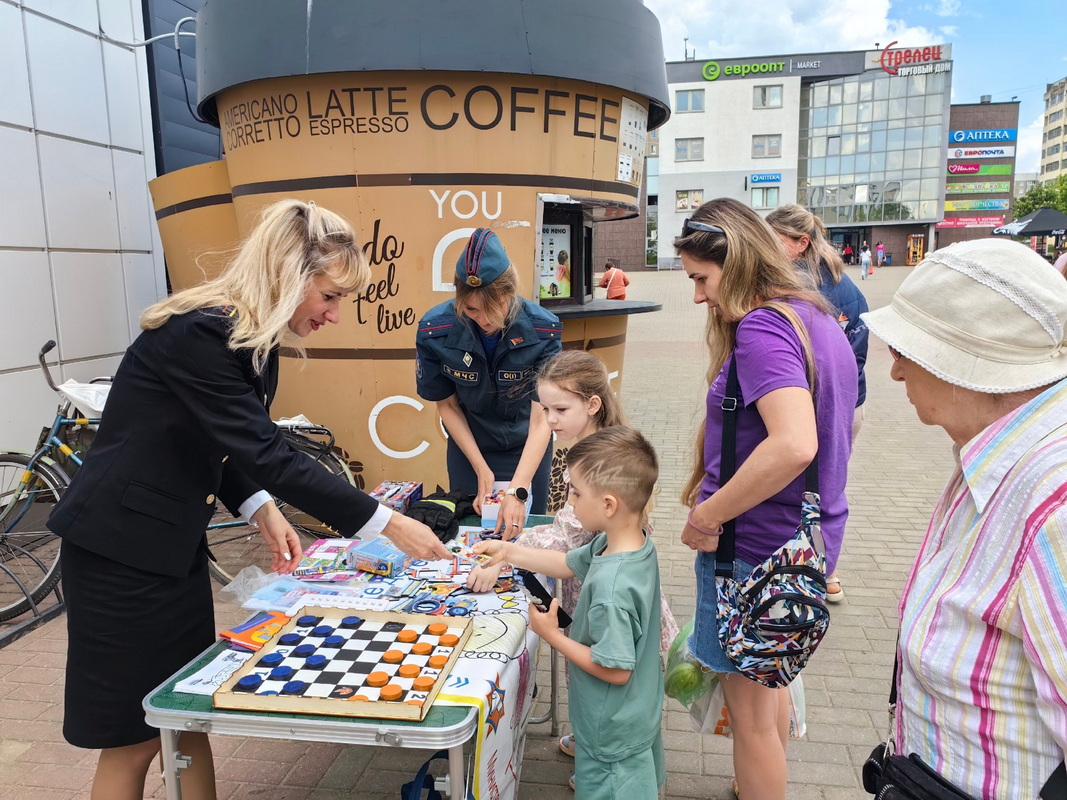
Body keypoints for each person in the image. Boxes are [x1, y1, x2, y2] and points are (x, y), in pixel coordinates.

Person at [48, 199, 451, 800]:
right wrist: (385, 522)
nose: (335, 315)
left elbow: (225, 445)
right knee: (132, 739)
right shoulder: (199, 333)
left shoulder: (248, 341)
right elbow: (264, 450)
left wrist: (258, 505)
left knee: (189, 716)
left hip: (167, 548)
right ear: (289, 273)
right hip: (118, 554)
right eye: (331, 296)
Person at [861, 238, 1067, 800]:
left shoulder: (1052, 502)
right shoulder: (995, 458)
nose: (896, 371)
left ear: (968, 364)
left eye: (908, 349)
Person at [676, 198, 857, 800]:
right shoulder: (816, 319)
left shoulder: (763, 327)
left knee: (750, 724)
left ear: (737, 260)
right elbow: (839, 431)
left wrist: (708, 513)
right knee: (770, 694)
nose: (698, 295)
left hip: (754, 552)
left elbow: (794, 444)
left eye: (701, 278)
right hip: (801, 548)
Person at [464, 351, 679, 769]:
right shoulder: (600, 445)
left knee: (601, 672)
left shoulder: (595, 459)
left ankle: (604, 761)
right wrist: (510, 548)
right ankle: (593, 741)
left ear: (592, 404)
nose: (550, 420)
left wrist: (507, 549)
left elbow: (568, 539)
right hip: (600, 579)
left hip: (601, 590)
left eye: (560, 409)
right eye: (544, 409)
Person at [475, 426, 665, 799]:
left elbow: (615, 669)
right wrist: (508, 551)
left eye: (576, 493)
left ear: (609, 505)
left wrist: (551, 636)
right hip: (636, 712)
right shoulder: (629, 544)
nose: (570, 501)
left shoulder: (613, 588)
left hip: (608, 726)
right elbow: (565, 563)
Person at [416, 228, 562, 532]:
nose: (484, 320)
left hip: (528, 445)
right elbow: (448, 406)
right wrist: (480, 468)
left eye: (493, 309)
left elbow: (542, 420)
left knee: (527, 532)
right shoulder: (435, 331)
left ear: (510, 293)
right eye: (471, 310)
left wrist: (518, 489)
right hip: (469, 446)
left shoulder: (544, 330)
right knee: (471, 530)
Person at [767, 204, 869, 603]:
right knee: (829, 487)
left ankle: (803, 573)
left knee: (799, 491)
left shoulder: (796, 289)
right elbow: (856, 355)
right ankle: (827, 570)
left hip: (816, 407)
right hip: (850, 405)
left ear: (800, 243)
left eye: (774, 240)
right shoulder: (848, 287)